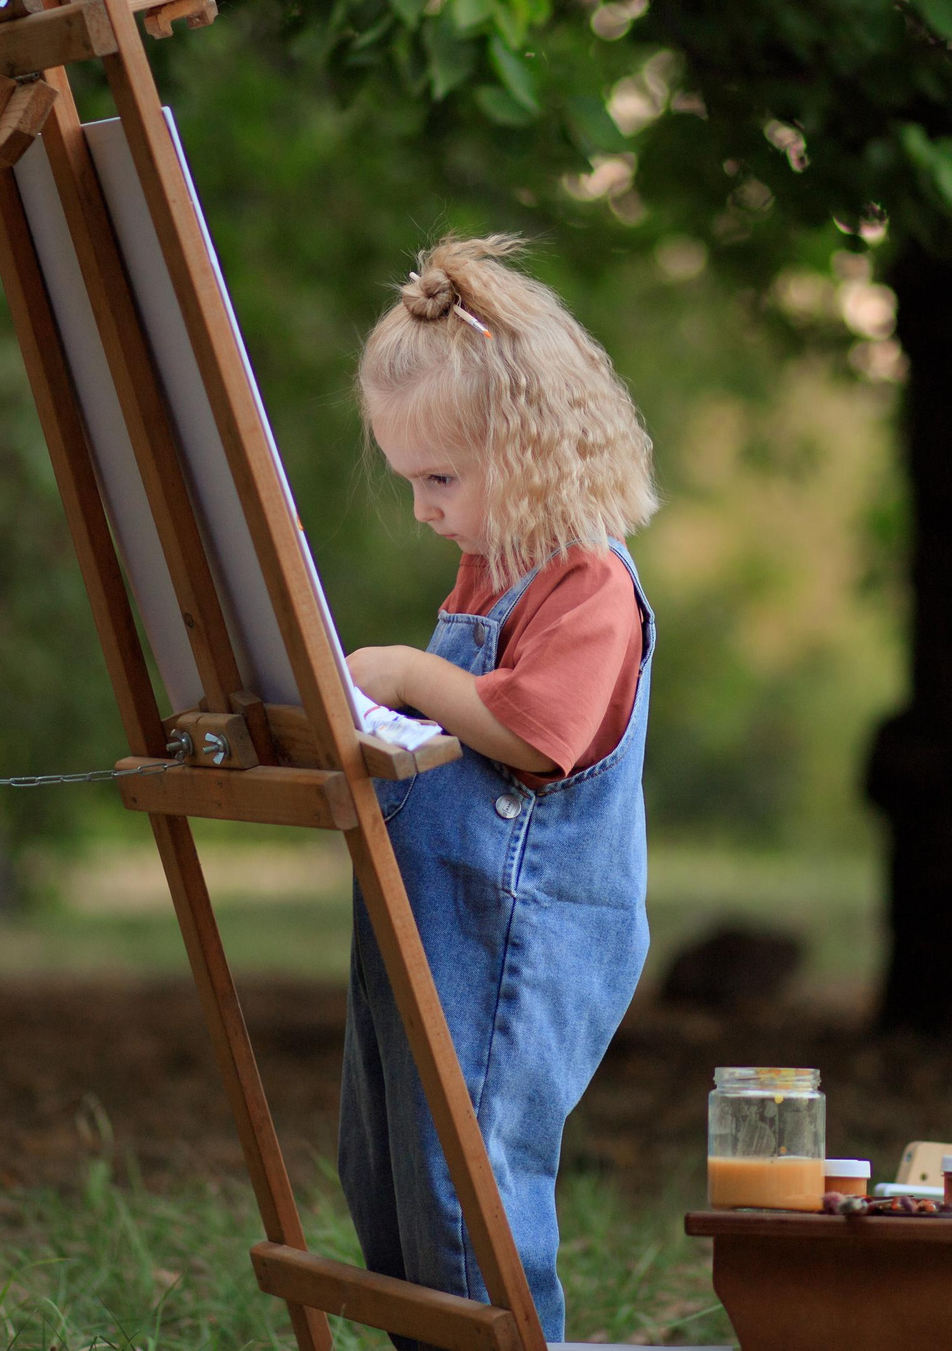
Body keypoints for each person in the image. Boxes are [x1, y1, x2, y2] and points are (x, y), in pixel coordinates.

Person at [340, 233, 659, 1345]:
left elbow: (531, 732)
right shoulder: (495, 569)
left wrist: (409, 675)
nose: (423, 510)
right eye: (409, 481)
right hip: (437, 921)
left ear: (530, 451)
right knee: (385, 1167)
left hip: (521, 933)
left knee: (465, 1176)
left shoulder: (588, 582)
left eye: (440, 480)